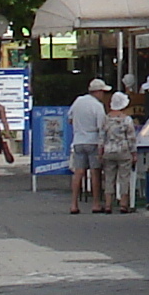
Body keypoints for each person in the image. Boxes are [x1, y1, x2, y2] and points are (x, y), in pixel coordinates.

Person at [66, 79, 109, 214]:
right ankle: (96, 203)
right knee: (95, 172)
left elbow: (70, 119)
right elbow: (101, 126)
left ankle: (73, 204)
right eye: (103, 92)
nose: (104, 95)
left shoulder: (78, 101)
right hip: (93, 140)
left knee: (78, 172)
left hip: (78, 140)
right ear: (97, 92)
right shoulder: (97, 106)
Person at [101, 91, 140, 214]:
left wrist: (100, 151)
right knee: (124, 177)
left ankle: (108, 205)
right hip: (123, 150)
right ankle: (123, 204)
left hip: (109, 150)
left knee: (109, 178)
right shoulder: (127, 120)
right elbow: (131, 138)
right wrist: (134, 153)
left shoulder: (106, 119)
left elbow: (101, 137)